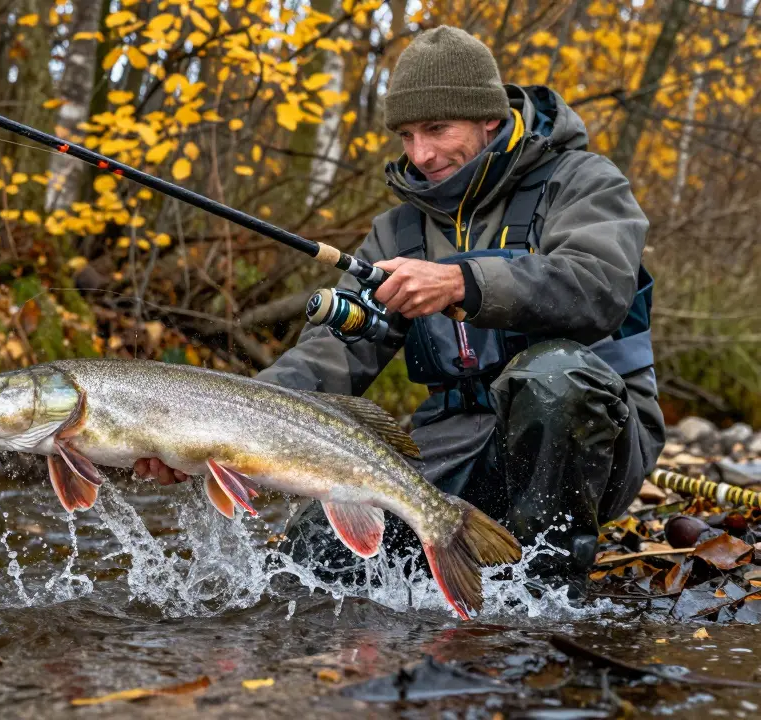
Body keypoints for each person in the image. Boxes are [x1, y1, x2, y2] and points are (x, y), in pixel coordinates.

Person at [133, 25, 666, 597]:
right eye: (408, 135)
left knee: (553, 378)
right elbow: (331, 354)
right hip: (456, 441)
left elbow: (599, 285)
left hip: (593, 440)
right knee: (312, 570)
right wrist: (215, 434)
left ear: (491, 118)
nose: (422, 154)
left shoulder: (584, 182)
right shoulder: (396, 231)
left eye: (438, 129)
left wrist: (462, 281)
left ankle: (547, 596)